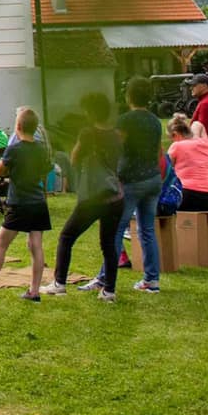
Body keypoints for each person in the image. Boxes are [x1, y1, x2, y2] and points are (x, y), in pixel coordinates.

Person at [0, 108, 51, 300]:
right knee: (36, 246)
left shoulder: (14, 149)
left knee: (0, 244)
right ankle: (34, 291)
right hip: (38, 201)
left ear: (18, 126)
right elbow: (45, 169)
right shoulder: (41, 148)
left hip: (19, 202)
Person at [52, 93, 123, 301]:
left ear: (90, 112)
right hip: (116, 195)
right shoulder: (116, 135)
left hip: (94, 197)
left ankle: (59, 283)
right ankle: (109, 290)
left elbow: (74, 158)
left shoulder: (87, 133)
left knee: (67, 236)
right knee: (108, 244)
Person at [102, 77, 166, 295]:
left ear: (128, 96)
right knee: (147, 230)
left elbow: (114, 147)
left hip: (131, 180)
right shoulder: (155, 121)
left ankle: (104, 278)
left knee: (117, 229)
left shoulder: (125, 120)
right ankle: (152, 280)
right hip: (153, 178)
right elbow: (160, 152)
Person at [166, 114, 208, 212]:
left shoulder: (176, 146)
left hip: (187, 194)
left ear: (175, 134)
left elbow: (165, 171)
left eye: (171, 137)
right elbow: (198, 124)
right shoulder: (205, 143)